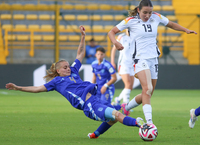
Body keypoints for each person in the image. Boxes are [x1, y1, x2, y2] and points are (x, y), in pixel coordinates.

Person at [5, 26, 144, 139]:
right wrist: (18, 87)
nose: (68, 68)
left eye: (68, 66)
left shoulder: (73, 71)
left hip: (95, 99)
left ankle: (95, 134)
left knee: (113, 118)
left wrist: (83, 37)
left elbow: (80, 54)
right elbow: (36, 89)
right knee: (117, 115)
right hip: (89, 105)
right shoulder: (56, 82)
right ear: (58, 71)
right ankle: (142, 125)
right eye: (65, 67)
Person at [108, 0, 197, 125]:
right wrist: (115, 42)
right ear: (138, 10)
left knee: (148, 93)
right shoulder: (130, 21)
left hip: (153, 59)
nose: (147, 15)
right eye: (145, 12)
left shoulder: (156, 17)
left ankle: (125, 108)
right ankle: (149, 123)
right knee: (148, 89)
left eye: (150, 12)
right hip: (139, 59)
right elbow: (111, 32)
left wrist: (185, 30)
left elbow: (171, 24)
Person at [111, 29, 135, 108]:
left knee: (130, 86)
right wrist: (112, 61)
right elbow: (114, 49)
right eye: (128, 29)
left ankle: (118, 99)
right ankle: (126, 105)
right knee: (127, 84)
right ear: (126, 29)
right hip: (123, 63)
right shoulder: (121, 37)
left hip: (132, 64)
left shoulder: (135, 37)